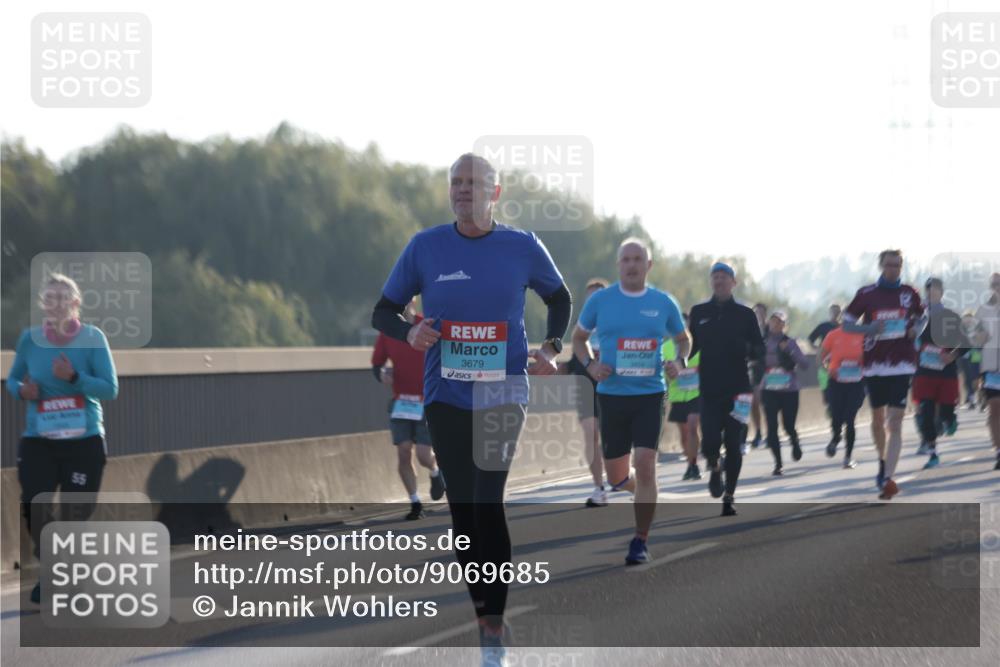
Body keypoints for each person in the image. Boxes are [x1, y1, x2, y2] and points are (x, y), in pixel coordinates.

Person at [371, 153, 571, 666]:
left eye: (473, 182)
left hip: (504, 388)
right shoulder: (426, 246)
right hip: (447, 395)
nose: (462, 190)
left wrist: (550, 347)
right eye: (455, 182)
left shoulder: (522, 247)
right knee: (463, 514)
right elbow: (384, 309)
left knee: (487, 501)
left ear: (495, 192)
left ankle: (494, 629)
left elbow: (560, 297)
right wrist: (409, 330)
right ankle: (485, 618)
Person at [573, 238, 688, 565]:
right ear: (618, 265)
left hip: (650, 393)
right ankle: (644, 494)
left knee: (646, 463)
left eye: (638, 259)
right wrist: (591, 365)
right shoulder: (601, 301)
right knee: (617, 477)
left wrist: (680, 361)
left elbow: (683, 338)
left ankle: (640, 539)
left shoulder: (663, 302)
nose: (632, 265)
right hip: (611, 397)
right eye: (626, 259)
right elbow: (579, 340)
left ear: (648, 265)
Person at [7, 273, 119, 604]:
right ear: (43, 304)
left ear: (75, 304)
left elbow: (110, 389)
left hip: (83, 440)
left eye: (63, 298)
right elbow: (12, 381)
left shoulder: (92, 338)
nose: (56, 304)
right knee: (33, 505)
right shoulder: (29, 340)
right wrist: (21, 391)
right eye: (49, 298)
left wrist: (73, 377)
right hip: (40, 439)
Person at [843, 250, 923, 500]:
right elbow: (846, 324)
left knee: (895, 422)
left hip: (902, 365)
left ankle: (888, 477)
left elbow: (922, 319)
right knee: (878, 420)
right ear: (880, 266)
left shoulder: (910, 293)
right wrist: (868, 328)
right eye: (889, 265)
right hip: (875, 365)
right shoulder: (867, 294)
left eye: (898, 265)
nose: (893, 270)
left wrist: (914, 331)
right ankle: (881, 461)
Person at [689, 262, 766, 516]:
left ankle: (729, 496)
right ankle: (713, 466)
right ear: (711, 282)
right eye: (715, 277)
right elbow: (690, 348)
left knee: (734, 443)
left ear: (734, 282)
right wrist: (679, 363)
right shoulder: (699, 312)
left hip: (740, 390)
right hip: (709, 389)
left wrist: (754, 361)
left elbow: (759, 348)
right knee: (710, 440)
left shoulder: (745, 314)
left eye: (724, 277)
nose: (719, 281)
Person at [371, 296, 445, 520]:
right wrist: (382, 374)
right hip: (402, 402)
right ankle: (415, 503)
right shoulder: (388, 331)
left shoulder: (428, 325)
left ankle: (435, 472)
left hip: (426, 400)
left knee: (423, 455)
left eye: (405, 300)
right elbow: (377, 364)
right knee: (403, 451)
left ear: (413, 301)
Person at [912, 277, 969, 468]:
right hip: (924, 372)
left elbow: (966, 344)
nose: (931, 292)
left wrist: (952, 356)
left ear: (942, 292)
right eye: (928, 289)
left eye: (935, 289)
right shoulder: (917, 317)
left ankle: (950, 419)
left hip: (946, 373)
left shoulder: (950, 316)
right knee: (926, 413)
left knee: (945, 413)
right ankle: (933, 451)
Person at [564, 278, 610, 507]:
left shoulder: (615, 323)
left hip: (612, 388)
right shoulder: (581, 330)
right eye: (589, 296)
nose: (593, 300)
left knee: (612, 439)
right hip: (585, 387)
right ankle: (599, 488)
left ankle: (622, 474)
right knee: (590, 435)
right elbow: (573, 362)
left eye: (598, 295)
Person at [760, 311, 809, 475]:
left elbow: (804, 364)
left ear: (784, 325)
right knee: (771, 427)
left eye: (779, 322)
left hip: (789, 390)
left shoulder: (790, 342)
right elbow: (753, 358)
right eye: (773, 321)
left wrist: (789, 351)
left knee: (788, 425)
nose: (775, 325)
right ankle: (778, 463)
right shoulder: (763, 342)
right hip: (769, 389)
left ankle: (794, 440)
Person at [821, 322, 866, 468]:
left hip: (856, 383)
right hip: (836, 382)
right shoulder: (833, 335)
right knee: (836, 417)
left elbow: (872, 356)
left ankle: (848, 457)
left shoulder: (864, 335)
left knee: (850, 418)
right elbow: (821, 357)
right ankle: (835, 438)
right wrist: (827, 367)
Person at [663, 315, 702, 481]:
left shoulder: (700, 345)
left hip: (696, 394)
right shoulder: (665, 348)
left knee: (693, 426)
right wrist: (668, 373)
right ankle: (691, 464)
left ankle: (695, 464)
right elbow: (664, 374)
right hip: (678, 396)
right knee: (684, 433)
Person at [973, 272, 1000, 471]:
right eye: (995, 284)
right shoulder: (983, 310)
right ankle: (999, 451)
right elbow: (975, 339)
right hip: (992, 366)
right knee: (994, 407)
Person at [808, 304, 843, 409]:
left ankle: (838, 410)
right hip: (824, 362)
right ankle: (830, 408)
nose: (835, 314)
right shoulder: (823, 326)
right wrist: (818, 350)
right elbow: (810, 339)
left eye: (837, 312)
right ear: (829, 313)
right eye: (833, 311)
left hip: (840, 362)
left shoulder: (844, 327)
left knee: (840, 389)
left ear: (840, 314)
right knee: (826, 390)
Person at [749, 303, 769, 448]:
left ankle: (770, 432)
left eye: (761, 313)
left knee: (767, 403)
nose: (758, 315)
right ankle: (758, 432)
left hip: (769, 371)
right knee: (754, 402)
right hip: (753, 371)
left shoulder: (771, 330)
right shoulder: (748, 329)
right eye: (756, 312)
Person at [958, 311, 984, 410]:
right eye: (965, 318)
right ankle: (971, 398)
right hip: (964, 356)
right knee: (966, 378)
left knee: (975, 377)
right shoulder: (960, 329)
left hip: (975, 354)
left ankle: (978, 395)